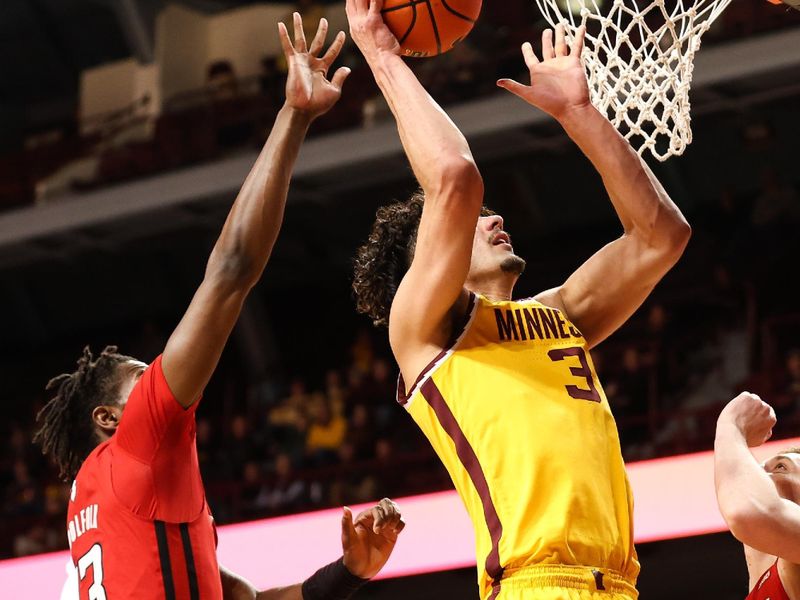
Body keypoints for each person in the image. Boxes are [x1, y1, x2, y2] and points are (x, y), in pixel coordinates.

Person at [35, 14, 404, 600]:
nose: (162, 370)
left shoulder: (102, 513)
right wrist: (295, 116)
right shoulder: (139, 446)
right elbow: (231, 270)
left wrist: (349, 573)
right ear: (109, 418)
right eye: (141, 375)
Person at [347, 0, 691, 597]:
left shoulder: (557, 317)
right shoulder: (427, 332)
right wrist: (380, 52)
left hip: (618, 585)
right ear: (430, 262)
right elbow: (454, 177)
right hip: (535, 584)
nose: (494, 216)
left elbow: (661, 236)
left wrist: (582, 115)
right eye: (472, 222)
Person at [714, 392, 800, 600]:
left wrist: (731, 422)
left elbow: (746, 512)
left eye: (781, 467)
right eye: (760, 472)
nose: (761, 478)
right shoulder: (766, 579)